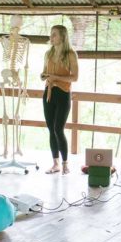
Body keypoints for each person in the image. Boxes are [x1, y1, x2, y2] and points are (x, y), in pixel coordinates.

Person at [41, 25, 79, 175]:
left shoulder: (70, 54)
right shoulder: (48, 53)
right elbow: (44, 72)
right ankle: (55, 164)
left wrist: (56, 77)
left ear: (62, 37)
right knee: (51, 128)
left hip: (63, 94)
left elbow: (75, 77)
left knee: (58, 128)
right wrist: (43, 76)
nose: (51, 38)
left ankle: (65, 164)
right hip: (48, 92)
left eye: (54, 35)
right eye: (51, 35)